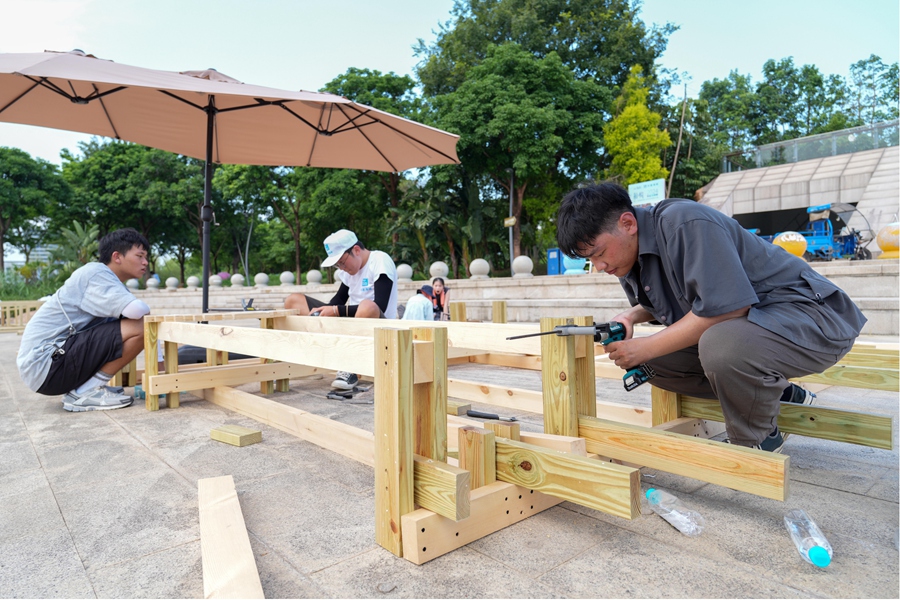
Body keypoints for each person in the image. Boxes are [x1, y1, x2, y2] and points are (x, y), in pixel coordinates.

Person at [555, 183, 866, 452]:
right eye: (589, 259)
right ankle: (784, 394)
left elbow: (728, 308)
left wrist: (647, 346)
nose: (598, 265)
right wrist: (630, 317)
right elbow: (686, 292)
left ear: (627, 223)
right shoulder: (626, 258)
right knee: (648, 363)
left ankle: (756, 441)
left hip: (815, 318)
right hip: (760, 327)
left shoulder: (684, 222)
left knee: (719, 345)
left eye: (597, 253)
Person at [17, 228, 155, 412]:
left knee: (143, 323)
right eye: (140, 255)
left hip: (51, 366)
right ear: (117, 256)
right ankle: (85, 392)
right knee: (141, 325)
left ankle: (87, 388)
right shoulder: (95, 273)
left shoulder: (112, 285)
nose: (145, 262)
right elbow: (138, 312)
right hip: (46, 363)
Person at [284, 229, 398, 389]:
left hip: (378, 327)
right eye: (337, 265)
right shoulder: (349, 271)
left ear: (356, 250)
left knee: (367, 305)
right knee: (293, 300)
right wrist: (321, 312)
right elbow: (338, 300)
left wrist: (336, 311)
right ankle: (315, 354)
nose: (341, 268)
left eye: (342, 262)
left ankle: (351, 368)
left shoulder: (379, 260)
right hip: (351, 325)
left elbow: (380, 305)